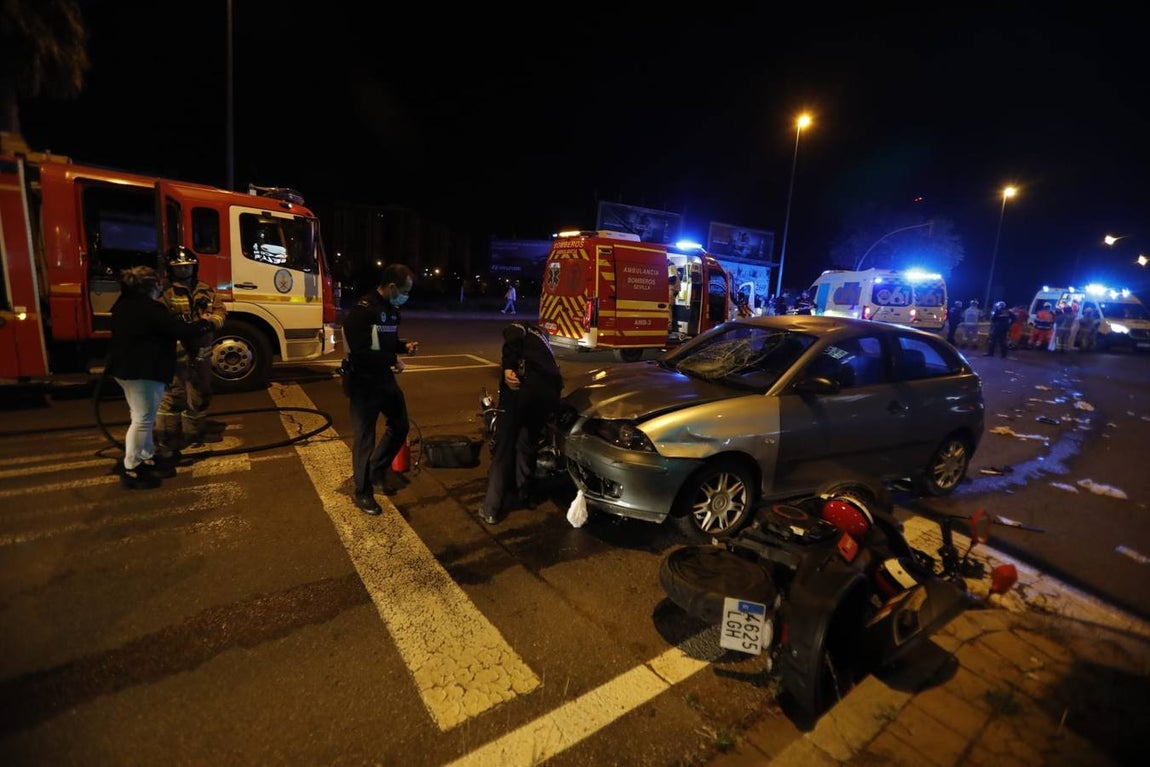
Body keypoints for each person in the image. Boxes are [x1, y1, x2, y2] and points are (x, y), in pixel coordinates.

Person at [107, 266, 213, 489]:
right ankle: (132, 467)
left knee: (140, 416)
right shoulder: (149, 308)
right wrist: (204, 323)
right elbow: (177, 330)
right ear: (150, 286)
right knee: (143, 419)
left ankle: (146, 456)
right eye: (157, 284)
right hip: (142, 371)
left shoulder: (123, 305)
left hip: (127, 370)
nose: (160, 287)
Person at [341, 264, 419, 515]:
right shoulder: (363, 310)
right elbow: (361, 351)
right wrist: (391, 359)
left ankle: (376, 470)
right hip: (363, 382)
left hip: (384, 380)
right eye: (405, 290)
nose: (407, 296)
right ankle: (362, 491)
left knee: (400, 424)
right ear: (392, 287)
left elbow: (384, 342)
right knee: (365, 437)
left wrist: (402, 347)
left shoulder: (392, 311)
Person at [479, 321, 564, 525]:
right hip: (548, 395)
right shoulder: (545, 345)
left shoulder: (522, 327)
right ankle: (525, 495)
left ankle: (491, 507)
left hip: (521, 389)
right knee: (527, 443)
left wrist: (508, 367)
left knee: (504, 446)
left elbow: (512, 337)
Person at [156, 247, 227, 452]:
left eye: (187, 267)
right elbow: (160, 321)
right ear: (171, 270)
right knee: (174, 396)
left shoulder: (204, 288)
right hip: (176, 354)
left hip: (201, 352)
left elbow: (220, 310)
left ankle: (193, 434)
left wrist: (212, 323)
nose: (184, 271)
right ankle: (167, 436)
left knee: (200, 394)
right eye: (179, 268)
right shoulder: (166, 292)